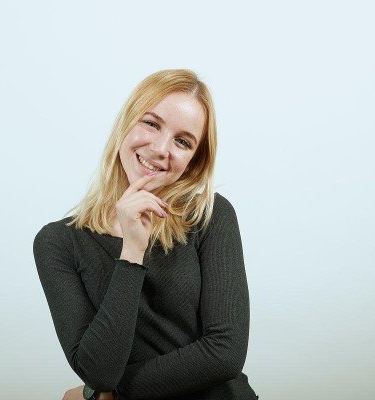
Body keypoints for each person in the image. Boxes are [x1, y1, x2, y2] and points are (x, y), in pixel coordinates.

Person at [33, 69, 259, 400]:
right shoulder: (58, 243)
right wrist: (132, 253)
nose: (160, 148)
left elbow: (225, 354)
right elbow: (99, 371)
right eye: (151, 123)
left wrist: (105, 394)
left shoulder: (209, 214)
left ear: (193, 162)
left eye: (183, 141)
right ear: (126, 123)